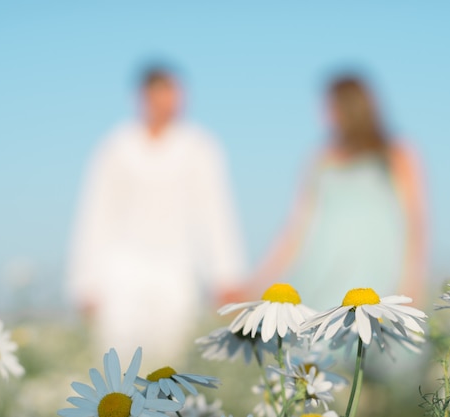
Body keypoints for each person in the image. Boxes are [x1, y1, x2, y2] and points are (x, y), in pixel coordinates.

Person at [67, 65, 245, 366]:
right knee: (116, 363)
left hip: (177, 269)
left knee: (170, 363)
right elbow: (95, 214)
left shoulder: (200, 146)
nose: (172, 102)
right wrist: (84, 279)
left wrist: (226, 274)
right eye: (164, 94)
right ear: (144, 96)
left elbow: (215, 213)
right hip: (120, 271)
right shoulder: (116, 147)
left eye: (176, 94)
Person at [245, 74, 426, 311]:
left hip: (377, 270)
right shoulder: (320, 157)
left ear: (350, 107)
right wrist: (257, 282)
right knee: (317, 342)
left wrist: (412, 282)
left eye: (329, 107)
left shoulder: (396, 153)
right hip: (320, 271)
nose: (323, 115)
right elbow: (296, 226)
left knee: (375, 338)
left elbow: (416, 221)